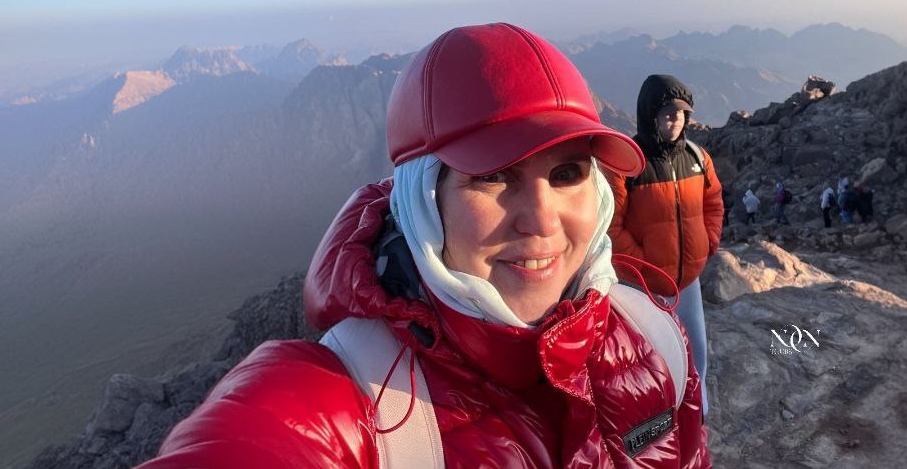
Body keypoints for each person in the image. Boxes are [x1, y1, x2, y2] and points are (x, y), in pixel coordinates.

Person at [140, 24, 710, 469]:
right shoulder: (354, 398)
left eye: (567, 174)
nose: (541, 221)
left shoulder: (655, 339)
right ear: (422, 203)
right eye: (492, 176)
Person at [608, 74, 723, 417]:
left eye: (682, 114)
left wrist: (708, 242)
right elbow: (611, 226)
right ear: (651, 115)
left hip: (687, 280)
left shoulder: (697, 157)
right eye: (668, 114)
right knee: (651, 354)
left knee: (696, 347)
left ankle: (697, 408)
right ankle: (660, 417)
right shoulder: (628, 163)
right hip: (644, 285)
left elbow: (713, 202)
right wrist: (643, 266)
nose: (677, 121)